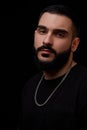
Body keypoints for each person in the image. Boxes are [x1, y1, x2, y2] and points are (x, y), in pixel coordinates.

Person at [18, 4, 87, 130]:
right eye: (42, 31)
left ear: (74, 44)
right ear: (35, 35)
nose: (47, 41)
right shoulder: (30, 86)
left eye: (59, 34)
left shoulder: (83, 86)